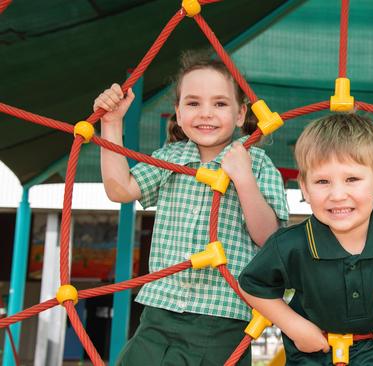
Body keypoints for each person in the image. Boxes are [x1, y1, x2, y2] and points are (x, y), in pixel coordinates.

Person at [94, 53, 289, 365]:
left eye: (220, 104)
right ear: (178, 113)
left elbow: (269, 236)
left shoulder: (256, 162)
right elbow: (119, 189)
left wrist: (244, 179)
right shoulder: (170, 158)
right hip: (159, 313)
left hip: (223, 318)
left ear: (240, 114)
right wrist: (112, 123)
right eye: (194, 103)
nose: (206, 113)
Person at [238, 113, 373, 365]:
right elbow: (252, 284)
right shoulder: (291, 244)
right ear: (305, 189)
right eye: (322, 181)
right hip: (313, 355)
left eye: (351, 179)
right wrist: (295, 327)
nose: (337, 194)